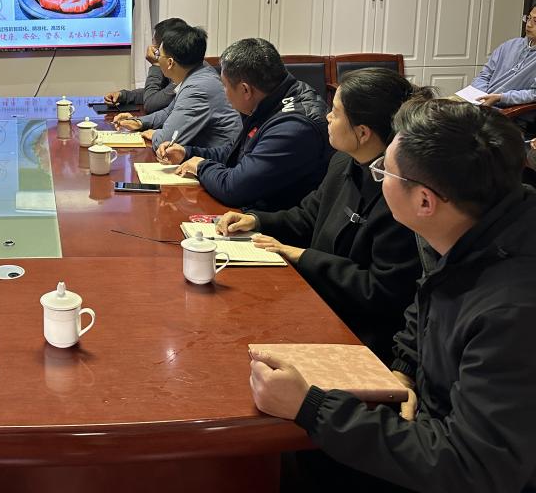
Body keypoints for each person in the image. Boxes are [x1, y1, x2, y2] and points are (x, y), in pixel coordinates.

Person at [249, 99, 536, 493]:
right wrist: (404, 369)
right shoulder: (469, 228)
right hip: (435, 426)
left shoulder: (512, 308)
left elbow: (475, 466)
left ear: (424, 201)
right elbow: (427, 303)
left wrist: (311, 407)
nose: (377, 177)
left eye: (384, 170)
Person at [215, 69, 429, 361]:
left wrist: (302, 256)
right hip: (317, 301)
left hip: (358, 334)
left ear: (362, 133)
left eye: (336, 113)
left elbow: (380, 291)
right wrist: (257, 220)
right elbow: (309, 215)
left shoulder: (397, 195)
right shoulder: (343, 162)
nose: (327, 116)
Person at [157, 37, 329, 210]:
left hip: (275, 220)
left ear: (245, 90)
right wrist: (187, 153)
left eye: (225, 86)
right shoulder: (273, 97)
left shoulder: (292, 128)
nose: (224, 93)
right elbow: (235, 154)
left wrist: (201, 167)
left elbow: (234, 189)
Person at [110, 25, 241, 150]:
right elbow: (168, 112)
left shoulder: (197, 88)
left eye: (158, 55)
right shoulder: (198, 72)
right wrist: (139, 122)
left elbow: (166, 142)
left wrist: (155, 134)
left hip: (218, 159)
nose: (156, 59)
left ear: (170, 62)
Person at [104, 17, 187, 112]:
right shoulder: (177, 66)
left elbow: (150, 104)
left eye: (154, 46)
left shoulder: (182, 74)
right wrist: (123, 95)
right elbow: (156, 94)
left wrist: (156, 64)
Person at [468, 4, 536, 107]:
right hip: (481, 104)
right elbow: (484, 75)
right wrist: (482, 96)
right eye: (529, 18)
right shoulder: (510, 45)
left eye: (535, 21)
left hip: (507, 112)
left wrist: (501, 97)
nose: (529, 24)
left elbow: (533, 94)